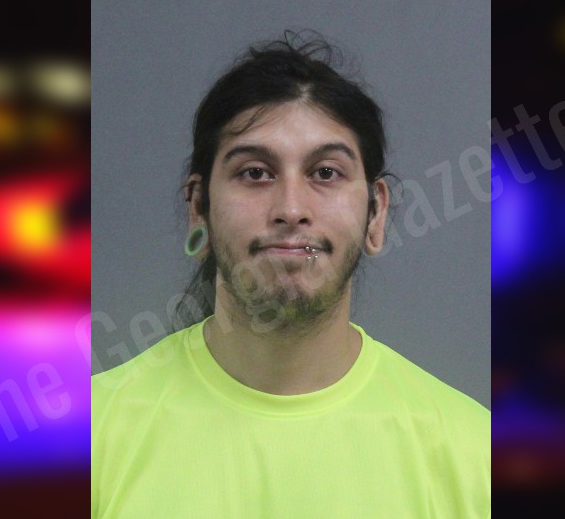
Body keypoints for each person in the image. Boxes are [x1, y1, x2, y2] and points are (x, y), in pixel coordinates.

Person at [92, 32, 490, 518]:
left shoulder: (474, 456)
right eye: (255, 173)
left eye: (325, 173)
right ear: (199, 208)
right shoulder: (90, 438)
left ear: (376, 213)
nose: (291, 208)